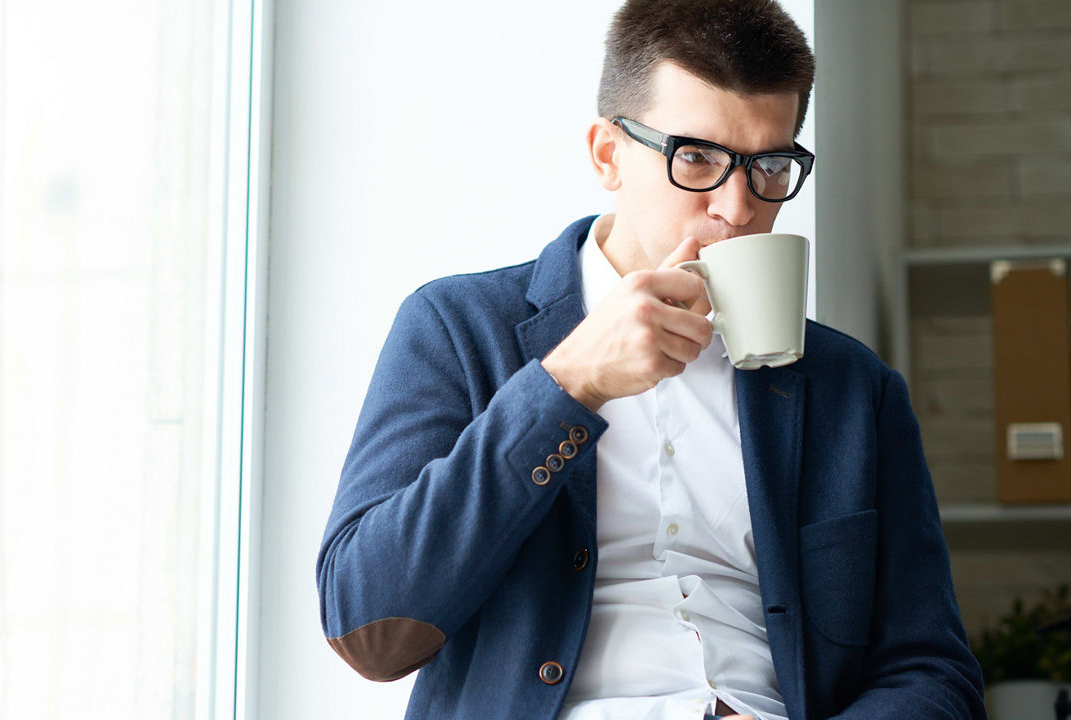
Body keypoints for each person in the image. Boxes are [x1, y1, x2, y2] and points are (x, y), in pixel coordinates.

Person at [316, 1, 986, 718]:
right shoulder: (456, 327)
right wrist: (566, 385)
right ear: (608, 154)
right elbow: (368, 627)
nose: (737, 206)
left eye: (770, 166)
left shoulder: (853, 390)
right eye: (696, 157)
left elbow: (933, 671)